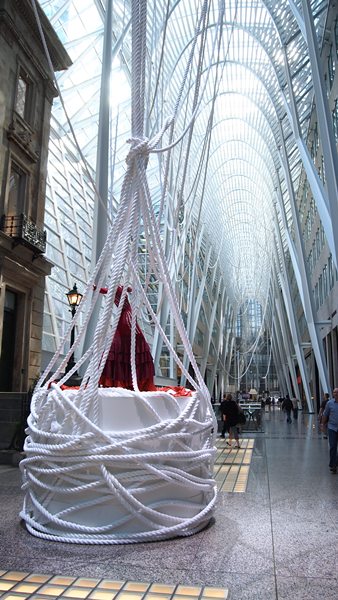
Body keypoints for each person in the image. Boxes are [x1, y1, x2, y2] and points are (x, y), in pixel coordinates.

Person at [99, 285, 156, 391]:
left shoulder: (116, 287)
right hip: (125, 316)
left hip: (126, 317)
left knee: (125, 343)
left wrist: (95, 287)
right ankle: (131, 379)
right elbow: (128, 288)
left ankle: (126, 379)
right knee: (126, 344)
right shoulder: (119, 287)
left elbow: (106, 290)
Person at [321, 388, 338, 474]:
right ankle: (333, 465)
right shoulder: (329, 403)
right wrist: (322, 425)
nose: (335, 393)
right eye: (334, 392)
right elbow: (325, 414)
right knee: (332, 447)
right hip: (332, 428)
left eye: (337, 392)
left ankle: (336, 462)